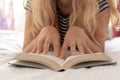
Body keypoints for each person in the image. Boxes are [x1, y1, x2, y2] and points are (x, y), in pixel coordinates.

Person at [23, 0, 119, 58]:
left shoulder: (99, 3)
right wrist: (44, 32)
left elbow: (100, 50)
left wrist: (82, 35)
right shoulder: (34, 3)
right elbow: (26, 49)